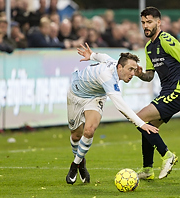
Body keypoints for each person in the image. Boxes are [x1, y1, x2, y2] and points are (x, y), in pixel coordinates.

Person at [65, 43, 159, 185]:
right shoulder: (107, 76)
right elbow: (120, 105)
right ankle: (81, 162)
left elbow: (101, 56)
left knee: (89, 130)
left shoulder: (113, 62)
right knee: (76, 135)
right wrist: (141, 123)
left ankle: (74, 165)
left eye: (134, 69)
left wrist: (91, 55)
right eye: (130, 69)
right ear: (120, 67)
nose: (132, 73)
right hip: (76, 95)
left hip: (95, 98)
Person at [134, 6, 180, 180]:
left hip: (178, 92)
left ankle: (167, 155)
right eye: (143, 23)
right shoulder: (149, 47)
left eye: (149, 22)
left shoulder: (166, 40)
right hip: (167, 92)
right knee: (148, 126)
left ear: (159, 22)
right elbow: (150, 76)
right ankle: (147, 170)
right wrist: (139, 73)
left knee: (139, 119)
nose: (145, 26)